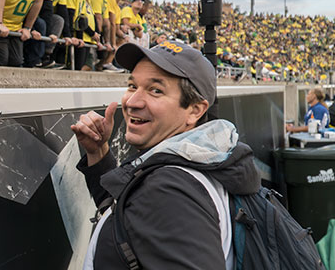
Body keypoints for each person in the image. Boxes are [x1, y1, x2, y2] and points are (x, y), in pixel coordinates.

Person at [71, 40, 260, 269]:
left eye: (155, 90)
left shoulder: (167, 191)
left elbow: (156, 207)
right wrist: (99, 153)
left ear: (194, 110)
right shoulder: (204, 158)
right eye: (132, 86)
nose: (132, 102)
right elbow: (130, 215)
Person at [88, 0, 114, 71]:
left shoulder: (104, 0)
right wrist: (98, 39)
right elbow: (97, 18)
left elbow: (106, 23)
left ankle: (101, 65)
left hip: (96, 32)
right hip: (89, 32)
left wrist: (107, 42)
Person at [102, 0, 128, 72]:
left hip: (109, 30)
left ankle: (107, 62)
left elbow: (117, 28)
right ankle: (106, 62)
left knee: (122, 39)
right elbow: (112, 23)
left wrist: (125, 36)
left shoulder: (118, 8)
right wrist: (113, 44)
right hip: (103, 29)